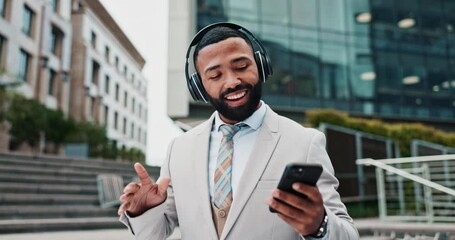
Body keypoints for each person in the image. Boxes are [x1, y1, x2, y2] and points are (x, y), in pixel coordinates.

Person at [118, 22, 359, 240]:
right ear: (200, 88)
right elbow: (155, 235)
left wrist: (319, 226)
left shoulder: (305, 142)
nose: (232, 81)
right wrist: (143, 211)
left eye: (241, 66)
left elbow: (348, 235)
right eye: (215, 75)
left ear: (261, 66)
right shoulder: (179, 148)